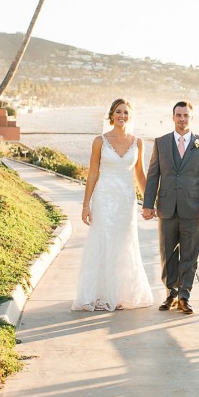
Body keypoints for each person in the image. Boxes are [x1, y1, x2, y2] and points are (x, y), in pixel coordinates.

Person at [71, 98, 153, 312]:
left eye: (126, 112)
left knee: (123, 245)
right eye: (118, 111)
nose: (122, 116)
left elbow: (140, 175)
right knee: (102, 243)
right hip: (104, 198)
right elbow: (93, 173)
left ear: (130, 116)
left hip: (126, 201)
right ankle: (98, 294)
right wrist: (85, 205)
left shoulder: (138, 142)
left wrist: (150, 203)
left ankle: (119, 295)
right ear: (111, 114)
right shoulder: (100, 141)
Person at [142, 101, 199, 315]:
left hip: (192, 209)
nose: (182, 119)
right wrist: (148, 204)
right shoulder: (161, 143)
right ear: (172, 117)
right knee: (167, 253)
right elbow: (153, 174)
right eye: (179, 115)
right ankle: (171, 293)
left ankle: (185, 296)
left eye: (186, 115)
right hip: (166, 208)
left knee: (190, 255)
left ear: (191, 118)